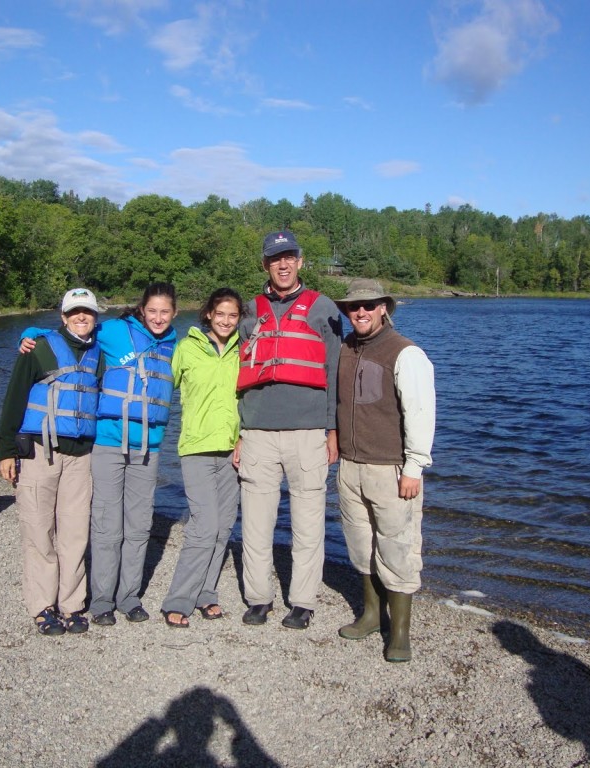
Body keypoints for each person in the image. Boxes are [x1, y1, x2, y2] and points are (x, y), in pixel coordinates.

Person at [20, 283, 179, 626]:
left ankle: (129, 596)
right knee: (107, 525)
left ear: (175, 314)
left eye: (165, 312)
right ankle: (102, 600)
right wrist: (31, 332)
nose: (158, 317)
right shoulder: (115, 330)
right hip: (107, 443)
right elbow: (72, 332)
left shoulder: (175, 344)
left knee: (138, 527)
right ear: (141, 309)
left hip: (148, 448)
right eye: (152, 310)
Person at [233, 231, 342, 630]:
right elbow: (232, 372)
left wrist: (332, 432)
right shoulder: (249, 311)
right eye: (275, 258)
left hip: (308, 433)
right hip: (257, 432)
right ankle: (259, 597)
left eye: (289, 257)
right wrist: (237, 435)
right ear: (265, 264)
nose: (283, 264)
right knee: (257, 522)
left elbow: (334, 373)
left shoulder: (323, 309)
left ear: (300, 261)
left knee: (309, 522)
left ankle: (302, 601)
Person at [334, 281, 435, 662]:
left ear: (383, 309)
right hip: (350, 466)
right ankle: (372, 615)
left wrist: (414, 467)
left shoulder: (407, 353)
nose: (359, 312)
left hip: (392, 469)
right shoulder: (345, 348)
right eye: (353, 307)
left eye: (368, 306)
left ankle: (401, 632)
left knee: (398, 547)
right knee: (361, 546)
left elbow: (420, 415)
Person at [0, 287, 103, 636]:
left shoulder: (100, 353)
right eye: (74, 312)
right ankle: (43, 605)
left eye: (86, 312)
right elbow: (14, 397)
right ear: (63, 317)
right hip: (40, 452)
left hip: (80, 456)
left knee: (74, 534)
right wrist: (6, 449)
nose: (81, 317)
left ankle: (71, 605)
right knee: (39, 530)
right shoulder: (38, 347)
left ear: (95, 316)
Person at [160, 288, 244, 628]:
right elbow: (161, 383)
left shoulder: (243, 349)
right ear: (208, 313)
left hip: (232, 451)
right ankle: (177, 599)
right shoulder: (186, 348)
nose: (226, 320)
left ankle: (206, 593)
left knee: (223, 527)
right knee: (204, 526)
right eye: (220, 313)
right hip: (196, 449)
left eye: (233, 315)